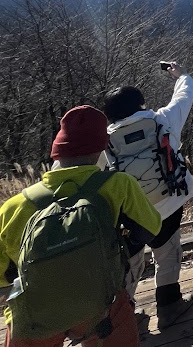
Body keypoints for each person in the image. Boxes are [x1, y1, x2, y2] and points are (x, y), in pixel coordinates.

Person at [0, 105, 162, 347]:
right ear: (101, 148)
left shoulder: (12, 207)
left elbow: (3, 276)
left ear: (57, 151)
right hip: (101, 304)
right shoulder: (119, 184)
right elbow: (150, 229)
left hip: (35, 316)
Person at [102, 62, 193, 329]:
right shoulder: (162, 121)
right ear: (142, 105)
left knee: (129, 262)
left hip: (129, 215)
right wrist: (181, 75)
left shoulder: (104, 142)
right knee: (167, 252)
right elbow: (184, 96)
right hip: (167, 203)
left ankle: (124, 320)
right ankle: (169, 307)